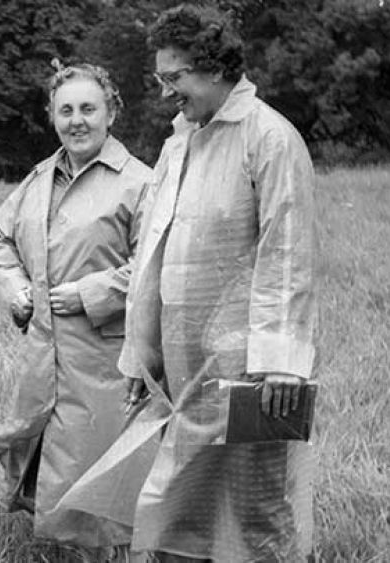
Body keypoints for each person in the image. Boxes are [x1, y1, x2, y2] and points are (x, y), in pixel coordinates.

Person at [118, 4, 317, 561]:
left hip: (252, 375)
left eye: (173, 78)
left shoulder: (270, 138)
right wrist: (142, 355)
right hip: (185, 369)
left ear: (214, 67)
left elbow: (289, 251)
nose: (164, 94)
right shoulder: (178, 143)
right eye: (160, 80)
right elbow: (152, 257)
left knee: (255, 508)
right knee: (180, 507)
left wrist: (280, 360)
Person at [0, 60, 153, 560]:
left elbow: (156, 266)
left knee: (113, 495)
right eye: (66, 110)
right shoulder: (38, 180)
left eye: (88, 109)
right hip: (45, 365)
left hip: (107, 369)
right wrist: (15, 289)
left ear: (111, 113)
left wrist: (92, 293)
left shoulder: (140, 183)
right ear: (52, 116)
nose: (77, 120)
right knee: (56, 488)